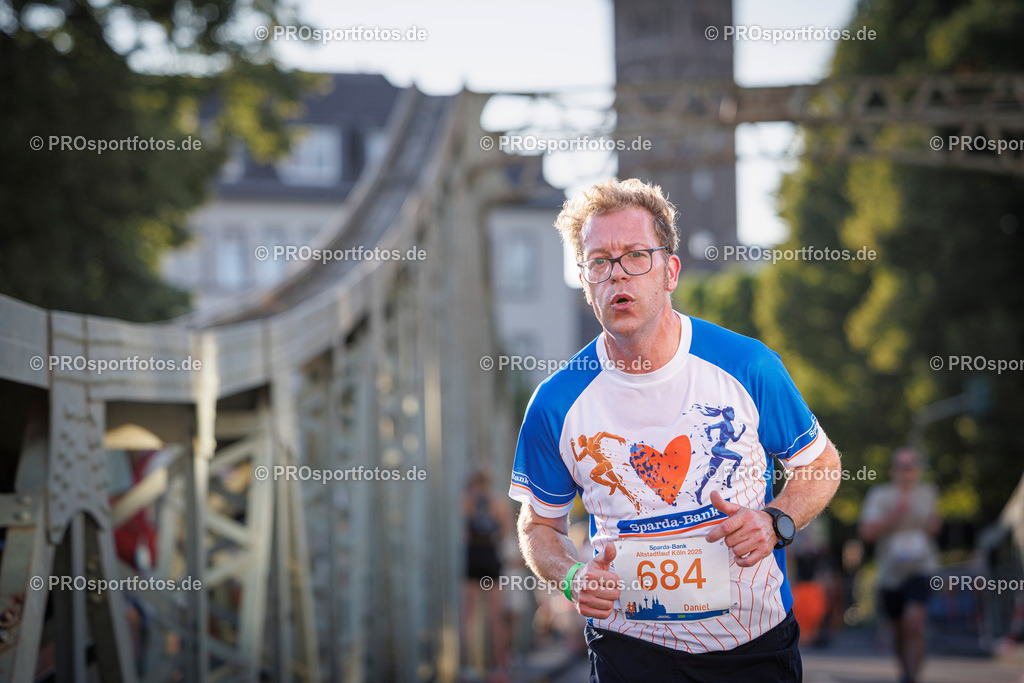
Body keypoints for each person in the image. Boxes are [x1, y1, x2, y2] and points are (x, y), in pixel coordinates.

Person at [509, 178, 843, 682]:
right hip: (631, 651)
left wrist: (775, 521)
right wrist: (572, 576)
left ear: (670, 272)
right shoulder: (556, 402)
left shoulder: (747, 365)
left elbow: (820, 465)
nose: (617, 274)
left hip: (751, 648)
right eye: (600, 261)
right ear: (584, 280)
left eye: (636, 256)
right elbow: (538, 526)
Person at [859, 447, 940, 683]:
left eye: (912, 466)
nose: (907, 472)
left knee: (914, 621)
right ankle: (905, 673)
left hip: (921, 567)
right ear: (894, 470)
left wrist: (934, 525)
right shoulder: (880, 495)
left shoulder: (928, 493)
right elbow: (866, 532)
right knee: (899, 630)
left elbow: (934, 527)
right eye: (902, 467)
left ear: (918, 470)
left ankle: (915, 677)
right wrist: (895, 514)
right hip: (891, 572)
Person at [462, 469, 512, 676]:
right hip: (491, 557)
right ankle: (498, 665)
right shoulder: (498, 503)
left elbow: (464, 535)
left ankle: (468, 665)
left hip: (473, 556)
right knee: (495, 615)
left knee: (469, 616)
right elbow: (505, 532)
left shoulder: (467, 502)